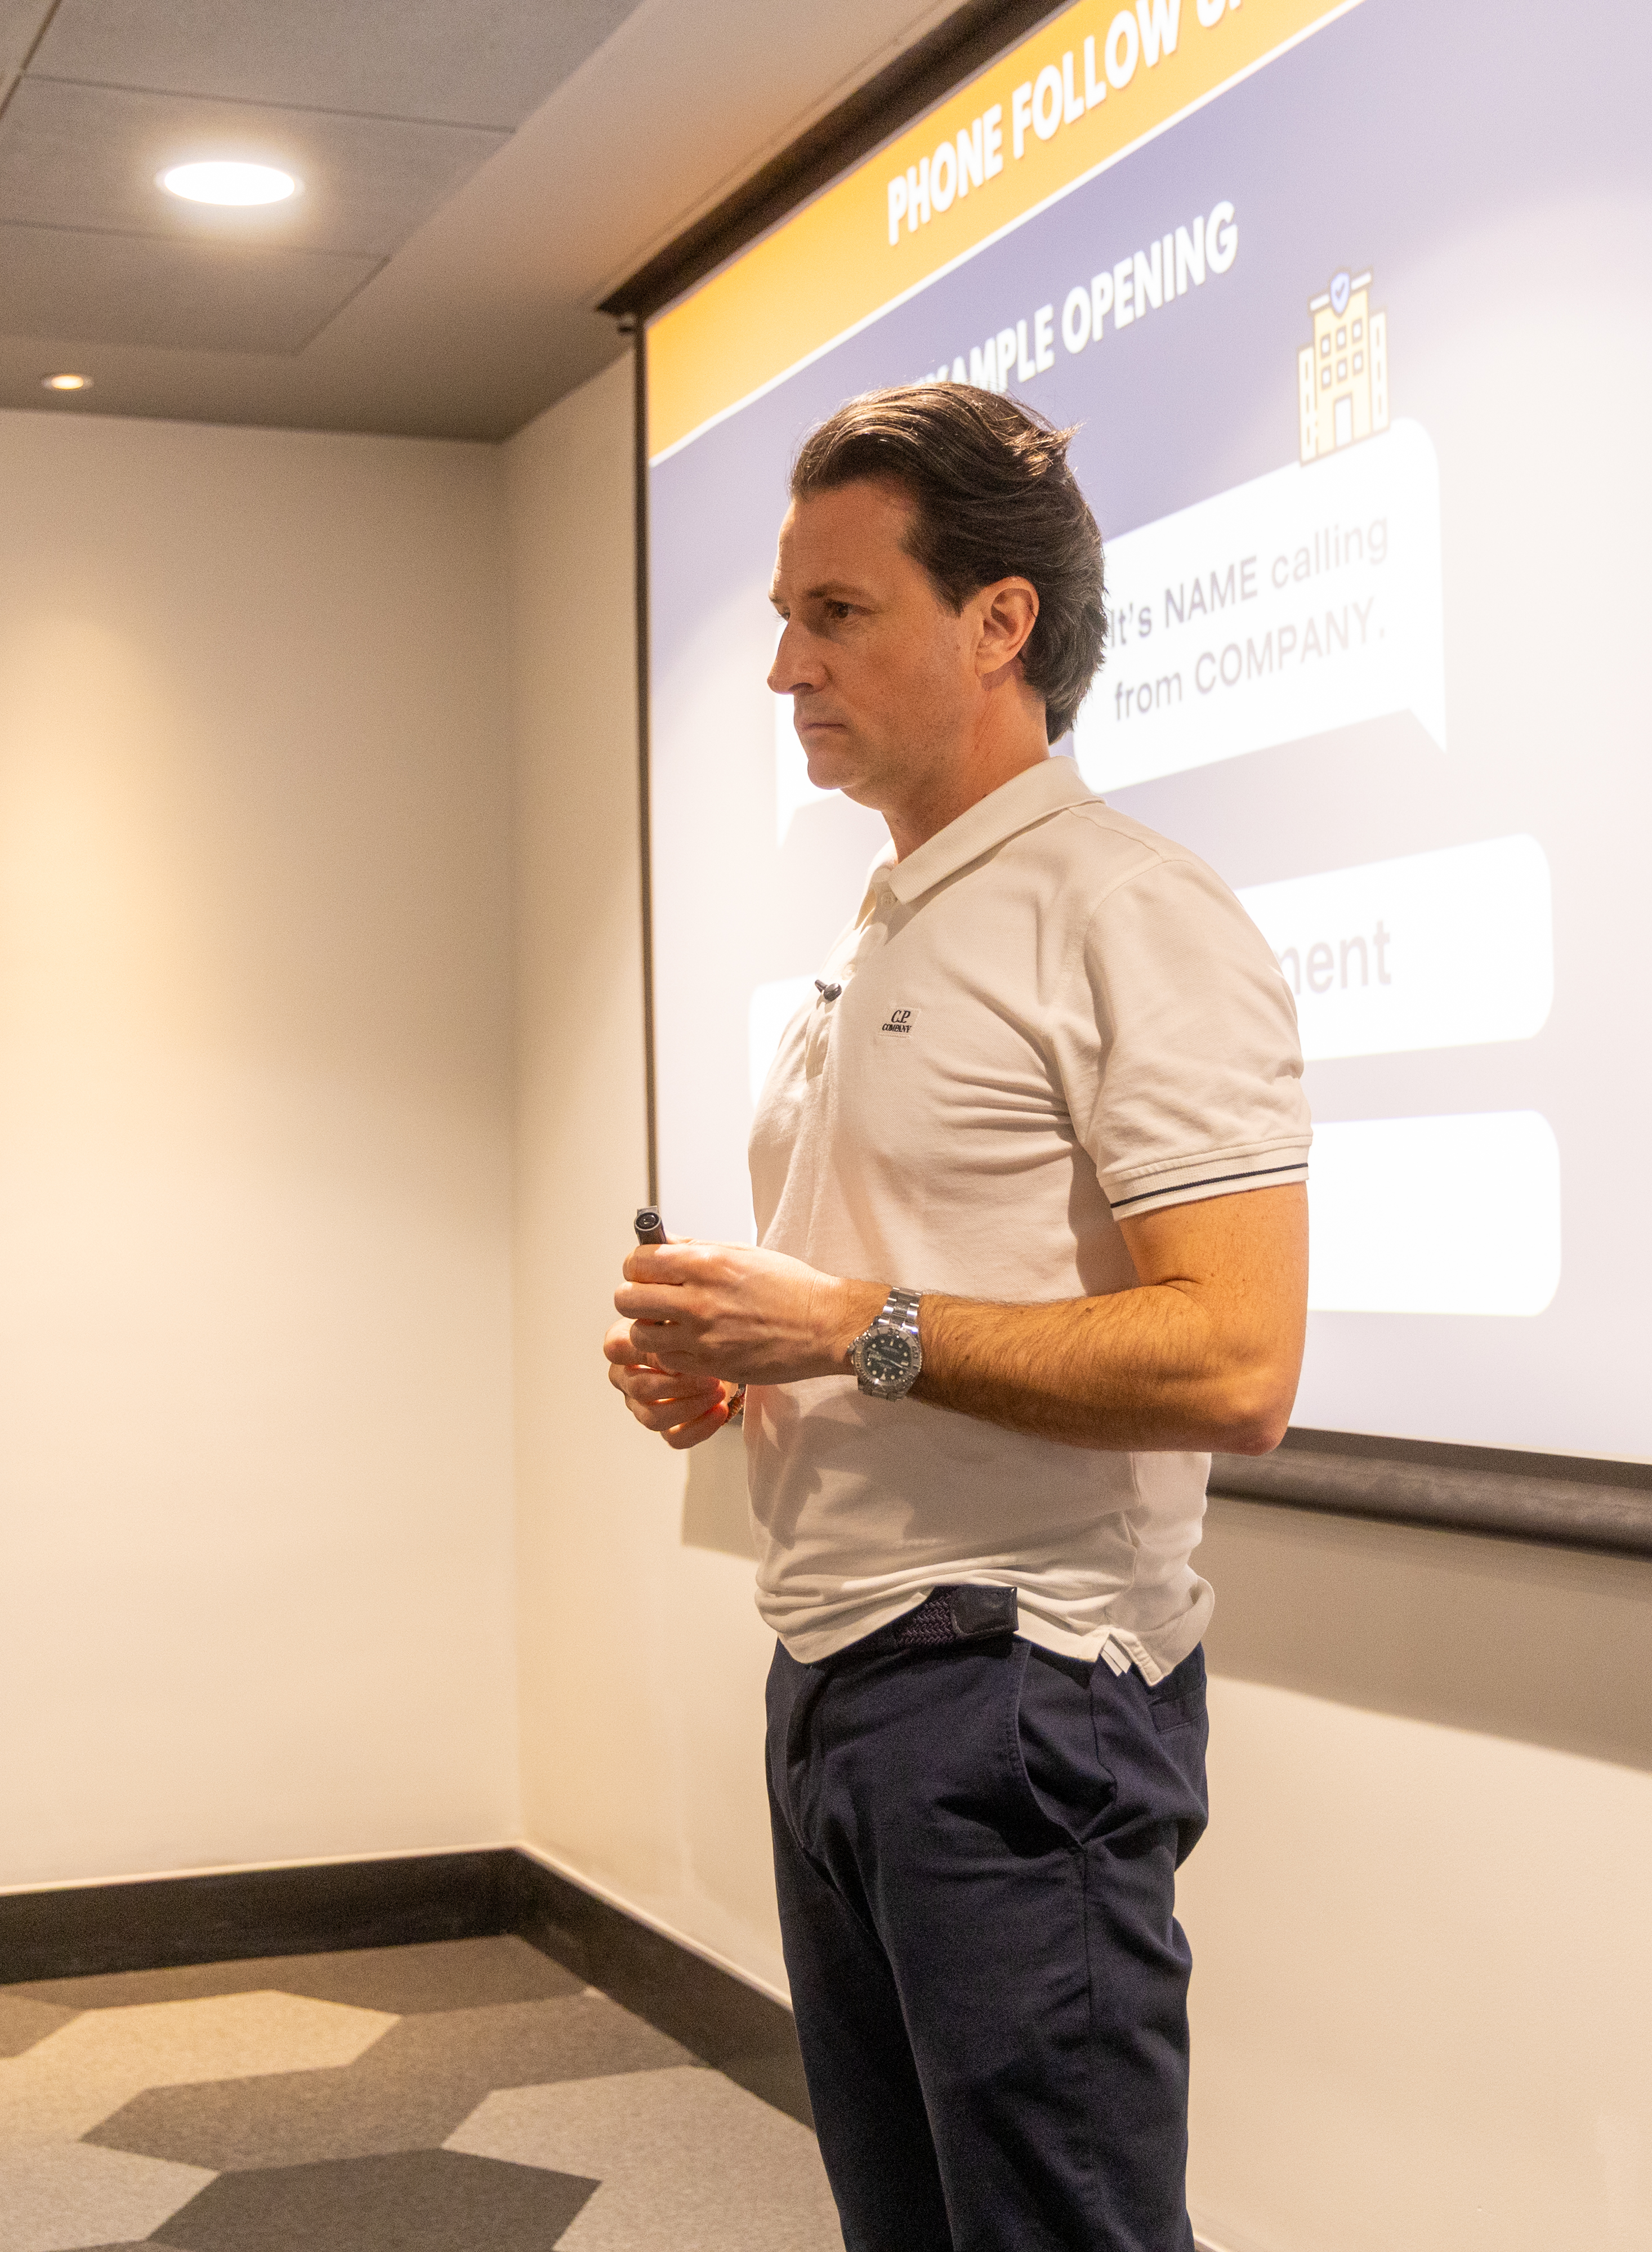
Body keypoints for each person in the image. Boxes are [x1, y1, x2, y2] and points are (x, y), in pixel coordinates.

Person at [601, 381, 1312, 2252]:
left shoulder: (1129, 913)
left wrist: (842, 1328)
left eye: (836, 614)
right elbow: (878, 1312)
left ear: (999, 624)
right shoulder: (891, 924)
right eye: (783, 613)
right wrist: (732, 1375)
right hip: (837, 1677)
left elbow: (1236, 1363)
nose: (781, 668)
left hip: (1024, 1687)